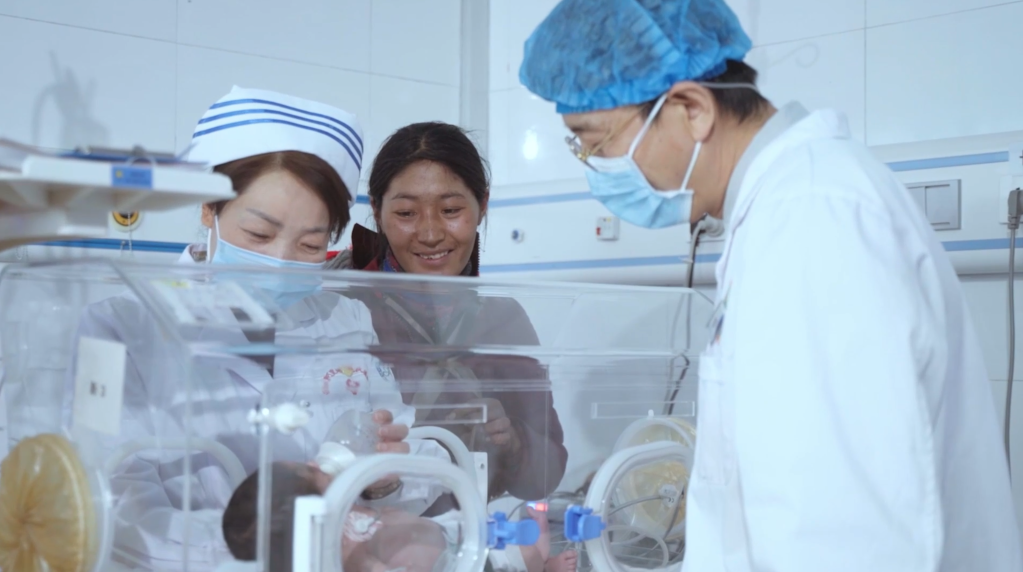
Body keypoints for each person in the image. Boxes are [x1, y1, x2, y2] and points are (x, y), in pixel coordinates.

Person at [518, 1, 1023, 571]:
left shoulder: (812, 218)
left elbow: (841, 534)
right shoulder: (785, 209)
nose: (595, 166)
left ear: (691, 110)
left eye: (594, 142)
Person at [63, 87, 442, 570]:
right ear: (209, 208)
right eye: (259, 234)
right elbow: (114, 503)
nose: (280, 262)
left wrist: (385, 481)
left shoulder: (345, 319)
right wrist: (273, 550)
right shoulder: (120, 327)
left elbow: (417, 453)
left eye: (310, 245)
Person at [326, 122, 568, 505]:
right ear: (377, 211)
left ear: (482, 205)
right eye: (406, 212)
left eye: (451, 210)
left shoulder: (502, 319)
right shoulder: (339, 309)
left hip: (463, 532)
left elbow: (545, 476)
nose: (430, 233)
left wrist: (511, 441)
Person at [222, 461, 570, 572]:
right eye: (309, 471)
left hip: (452, 534)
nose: (315, 463)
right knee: (525, 557)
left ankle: (538, 552)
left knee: (504, 535)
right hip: (458, 564)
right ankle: (544, 564)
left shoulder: (354, 512)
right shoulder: (351, 559)